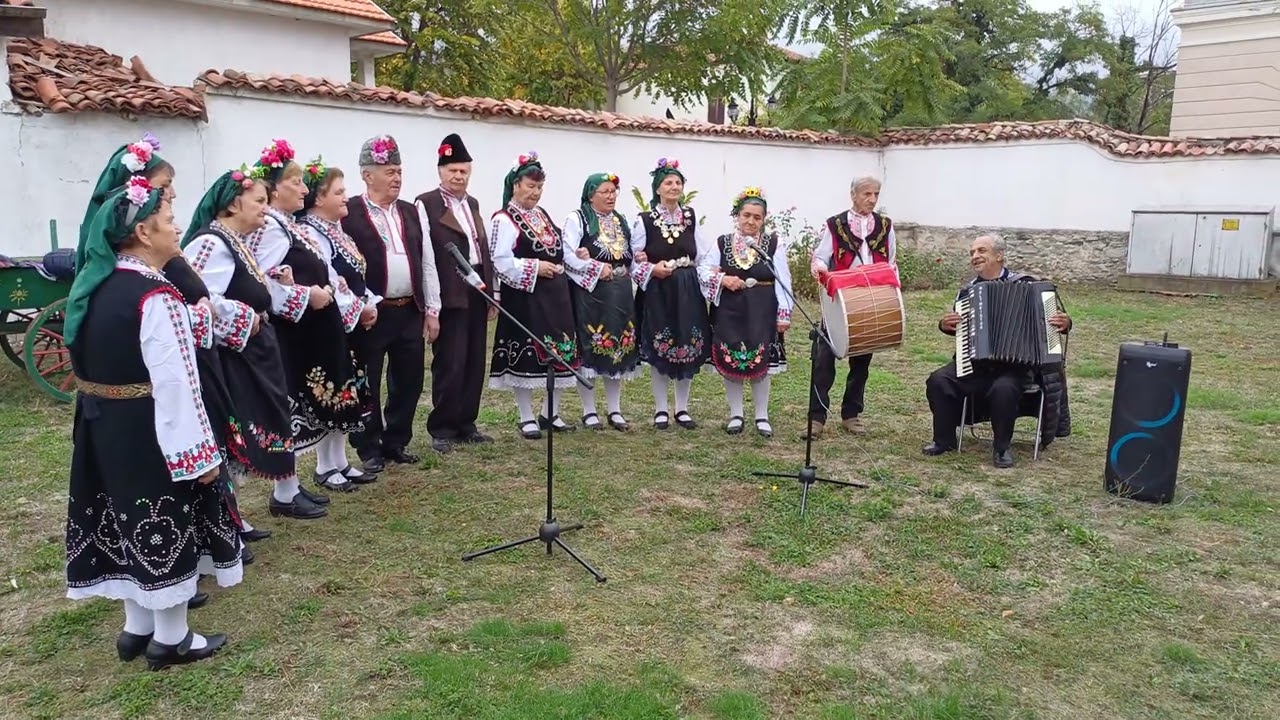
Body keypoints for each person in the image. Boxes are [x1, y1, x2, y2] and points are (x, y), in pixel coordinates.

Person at [64, 181, 238, 670]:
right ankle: (172, 637)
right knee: (161, 520)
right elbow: (176, 383)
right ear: (143, 230)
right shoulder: (154, 295)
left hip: (102, 425)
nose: (178, 224)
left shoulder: (95, 284)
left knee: (122, 518)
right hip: (150, 429)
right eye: (168, 214)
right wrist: (199, 457)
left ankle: (136, 628)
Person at [182, 168, 328, 520]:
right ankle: (231, 517)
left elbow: (256, 288)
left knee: (270, 417)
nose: (266, 208)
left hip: (256, 349)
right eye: (259, 201)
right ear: (233, 204)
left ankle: (281, 493)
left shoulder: (235, 242)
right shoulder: (211, 243)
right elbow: (197, 297)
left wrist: (289, 291)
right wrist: (249, 317)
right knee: (237, 430)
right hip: (234, 355)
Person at [247, 142, 371, 494]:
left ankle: (330, 465)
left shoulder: (289, 225)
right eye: (296, 182)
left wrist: (336, 290)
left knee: (335, 392)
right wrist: (307, 293)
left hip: (320, 323)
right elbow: (265, 280)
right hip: (298, 329)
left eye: (304, 182)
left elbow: (318, 268)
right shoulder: (272, 227)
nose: (303, 189)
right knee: (300, 401)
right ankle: (288, 488)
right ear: (274, 188)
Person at [925, 234, 1073, 468]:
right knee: (938, 380)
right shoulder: (967, 293)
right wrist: (945, 325)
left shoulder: (1029, 286)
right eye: (972, 252)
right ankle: (944, 440)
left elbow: (1054, 323)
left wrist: (1064, 323)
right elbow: (961, 329)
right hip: (976, 363)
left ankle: (1001, 448)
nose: (975, 256)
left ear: (999, 255)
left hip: (1016, 366)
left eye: (981, 251)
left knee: (1004, 388)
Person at [342, 134, 441, 472]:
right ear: (367, 175)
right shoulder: (349, 212)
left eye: (399, 171)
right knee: (366, 380)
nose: (397, 178)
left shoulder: (411, 211)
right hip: (372, 313)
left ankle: (396, 441)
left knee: (409, 379)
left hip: (407, 309)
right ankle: (368, 447)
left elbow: (426, 261)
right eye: (389, 171)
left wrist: (432, 310)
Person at [297, 157, 381, 485]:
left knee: (348, 391)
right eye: (339, 191)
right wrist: (357, 309)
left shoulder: (336, 231)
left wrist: (368, 303)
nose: (346, 197)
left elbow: (355, 276)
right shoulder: (311, 233)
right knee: (332, 391)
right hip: (329, 323)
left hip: (349, 323)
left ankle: (340, 460)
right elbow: (330, 279)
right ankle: (324, 466)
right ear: (318, 198)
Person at [488, 151, 582, 438]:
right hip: (525, 297)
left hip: (555, 297)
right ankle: (526, 415)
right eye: (530, 186)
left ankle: (549, 412)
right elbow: (499, 261)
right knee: (526, 355)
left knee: (559, 352)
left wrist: (577, 254)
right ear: (515, 185)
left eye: (539, 187)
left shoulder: (542, 215)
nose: (535, 192)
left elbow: (557, 249)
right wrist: (534, 267)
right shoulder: (503, 220)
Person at [414, 133, 497, 453]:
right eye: (452, 171)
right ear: (440, 172)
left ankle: (466, 423)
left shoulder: (472, 203)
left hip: (477, 290)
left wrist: (492, 292)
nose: (458, 176)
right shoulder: (427, 203)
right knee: (450, 360)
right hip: (449, 290)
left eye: (463, 171)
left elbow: (481, 248)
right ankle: (443, 426)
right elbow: (427, 254)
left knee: (475, 360)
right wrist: (431, 303)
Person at [807, 176, 897, 438]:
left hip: (872, 299)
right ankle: (816, 417)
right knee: (824, 359)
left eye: (876, 194)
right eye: (867, 193)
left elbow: (891, 262)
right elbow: (820, 258)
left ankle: (851, 414)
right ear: (853, 195)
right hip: (841, 301)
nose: (872, 199)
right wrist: (824, 274)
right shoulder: (835, 225)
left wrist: (892, 295)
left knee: (861, 362)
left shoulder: (885, 226)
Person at [629, 157, 715, 430]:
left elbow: (704, 255)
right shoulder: (644, 220)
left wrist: (708, 283)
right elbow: (633, 259)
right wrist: (651, 268)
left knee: (687, 343)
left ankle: (682, 408)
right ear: (657, 188)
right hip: (658, 290)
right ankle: (660, 409)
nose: (674, 187)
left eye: (678, 182)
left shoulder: (690, 218)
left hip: (687, 288)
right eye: (668, 182)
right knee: (660, 345)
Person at [704, 187, 791, 437]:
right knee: (732, 356)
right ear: (737, 216)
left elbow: (783, 279)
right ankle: (736, 414)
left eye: (757, 217)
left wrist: (783, 312)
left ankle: (761, 416)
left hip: (762, 309)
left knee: (760, 360)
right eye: (746, 215)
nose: (751, 221)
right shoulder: (722, 242)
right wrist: (722, 279)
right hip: (729, 310)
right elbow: (704, 270)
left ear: (764, 219)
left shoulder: (773, 244)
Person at [563, 171, 640, 431]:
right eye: (604, 192)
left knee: (619, 345)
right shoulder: (578, 219)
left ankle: (615, 409)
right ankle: (589, 410)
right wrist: (594, 266)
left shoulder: (621, 220)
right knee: (592, 345)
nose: (610, 196)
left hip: (620, 290)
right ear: (590, 195)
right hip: (592, 292)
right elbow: (568, 255)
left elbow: (628, 254)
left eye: (613, 191)